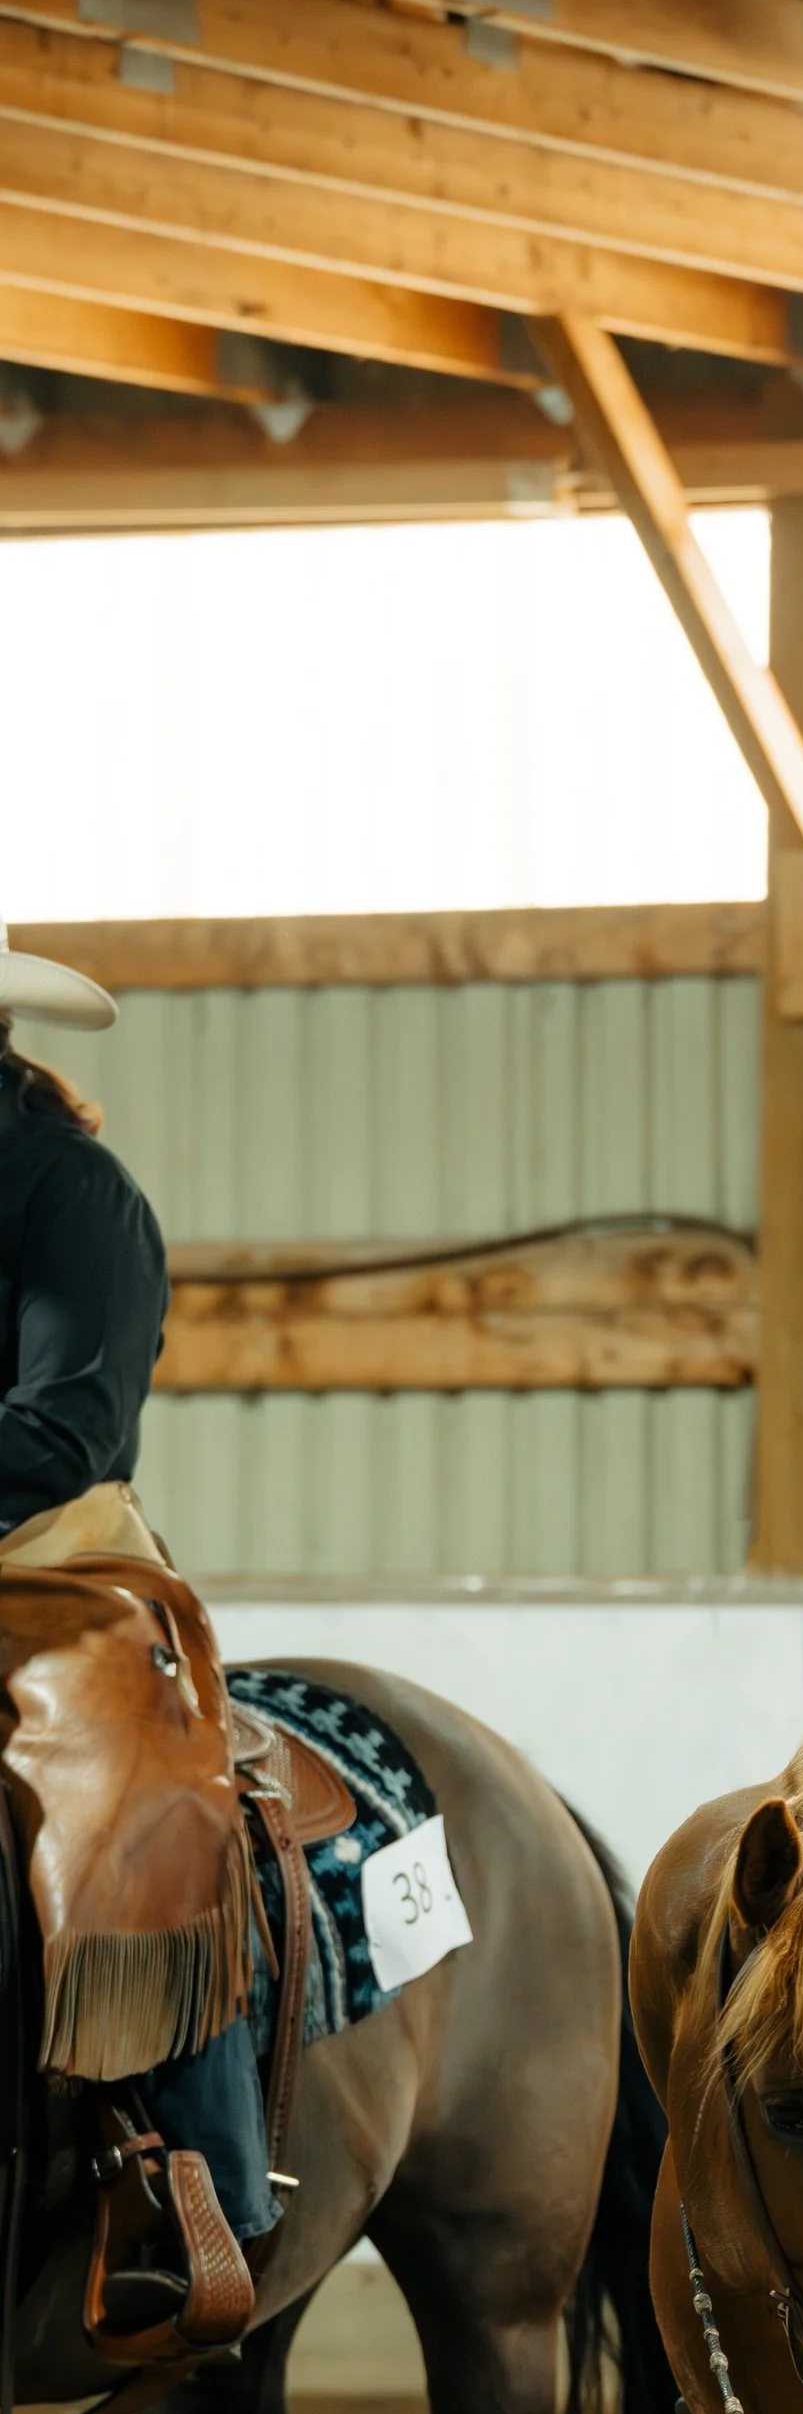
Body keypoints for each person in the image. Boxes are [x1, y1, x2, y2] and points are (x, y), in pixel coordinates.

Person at [0, 925, 276, 2272]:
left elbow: (62, 1432)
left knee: (114, 1758)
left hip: (48, 1555)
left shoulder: (71, 1193)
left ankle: (192, 2171)